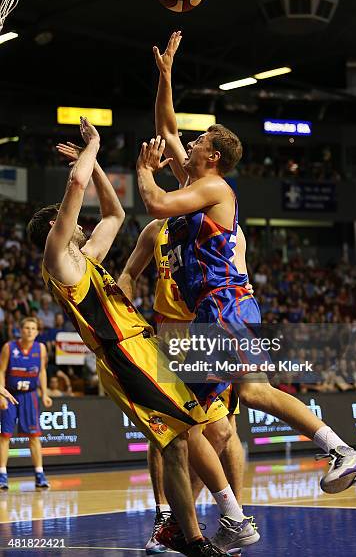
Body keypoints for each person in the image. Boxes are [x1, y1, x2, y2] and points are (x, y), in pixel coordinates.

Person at [135, 30, 356, 551]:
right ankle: (230, 518)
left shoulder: (215, 188)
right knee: (186, 425)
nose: (190, 142)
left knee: (245, 393)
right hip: (213, 311)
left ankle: (339, 451)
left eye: (199, 142)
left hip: (226, 303)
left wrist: (142, 172)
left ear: (214, 157)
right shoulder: (197, 183)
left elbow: (155, 205)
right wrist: (165, 76)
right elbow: (167, 124)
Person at [26, 117, 249, 557]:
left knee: (188, 433)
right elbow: (75, 185)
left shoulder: (85, 256)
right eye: (68, 219)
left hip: (143, 347)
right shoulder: (60, 261)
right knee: (178, 436)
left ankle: (200, 532)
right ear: (56, 229)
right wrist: (93, 147)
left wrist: (103, 169)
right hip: (122, 357)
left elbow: (115, 214)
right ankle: (217, 526)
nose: (80, 220)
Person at [118, 218, 247, 555]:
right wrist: (130, 325)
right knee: (165, 431)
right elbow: (128, 275)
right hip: (169, 334)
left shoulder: (214, 223)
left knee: (220, 432)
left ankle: (185, 519)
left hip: (209, 330)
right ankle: (166, 517)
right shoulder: (155, 229)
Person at [0, 316, 52, 490]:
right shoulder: (9, 347)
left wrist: (44, 393)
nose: (30, 331)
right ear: (20, 330)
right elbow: (1, 371)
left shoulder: (41, 348)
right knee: (5, 435)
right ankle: (2, 475)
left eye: (33, 328)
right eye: (27, 328)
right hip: (10, 395)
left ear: (37, 332)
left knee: (34, 436)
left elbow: (42, 371)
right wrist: (1, 395)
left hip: (29, 395)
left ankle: (39, 474)